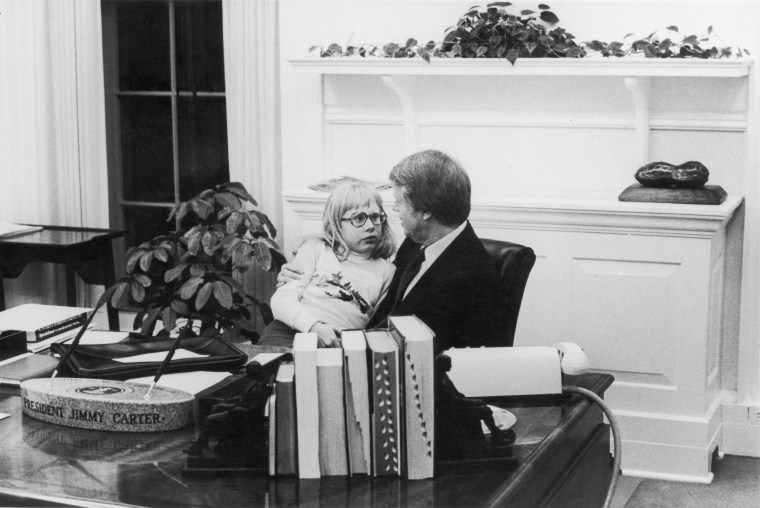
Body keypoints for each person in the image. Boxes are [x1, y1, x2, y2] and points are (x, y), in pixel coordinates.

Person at [279, 150, 509, 352]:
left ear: (426, 210)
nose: (395, 208)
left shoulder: (473, 275)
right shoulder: (418, 242)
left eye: (399, 201)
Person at [261, 182, 396, 347]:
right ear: (337, 223)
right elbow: (281, 300)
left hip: (337, 343)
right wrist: (314, 327)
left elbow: (377, 328)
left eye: (375, 217)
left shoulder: (387, 272)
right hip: (290, 332)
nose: (370, 226)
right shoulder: (316, 249)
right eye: (359, 218)